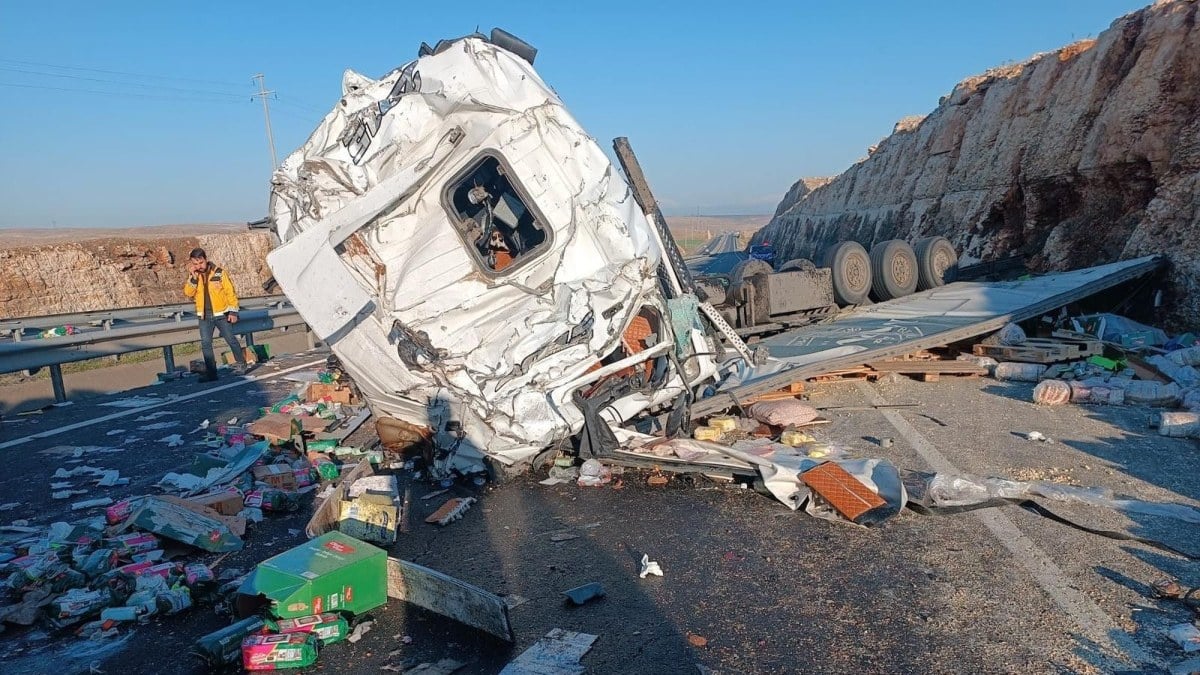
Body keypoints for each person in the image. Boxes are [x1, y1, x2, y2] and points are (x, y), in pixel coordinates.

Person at [183, 248, 248, 382]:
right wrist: (193, 279)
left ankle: (241, 364)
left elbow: (230, 292)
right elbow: (188, 293)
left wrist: (233, 311)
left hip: (221, 314)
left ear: (205, 259)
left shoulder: (219, 273)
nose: (198, 266)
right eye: (195, 264)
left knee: (231, 339)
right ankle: (212, 373)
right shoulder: (194, 276)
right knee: (206, 344)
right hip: (204, 316)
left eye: (200, 263)